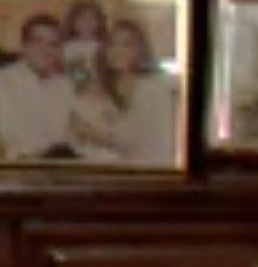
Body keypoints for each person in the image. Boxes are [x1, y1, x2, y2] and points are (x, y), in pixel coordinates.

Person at [0, 14, 75, 159]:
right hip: (12, 170)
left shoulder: (66, 87)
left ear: (59, 50)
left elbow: (79, 131)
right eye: (38, 42)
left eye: (53, 44)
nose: (45, 50)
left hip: (58, 170)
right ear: (24, 46)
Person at [69, 20, 178, 165]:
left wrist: (96, 136)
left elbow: (141, 141)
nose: (118, 50)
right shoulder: (105, 90)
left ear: (140, 50)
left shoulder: (155, 86)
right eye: (112, 44)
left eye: (127, 45)